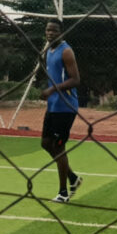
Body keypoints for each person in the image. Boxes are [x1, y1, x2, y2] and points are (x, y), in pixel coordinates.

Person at [40, 19, 82, 203]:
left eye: (54, 30)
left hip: (66, 106)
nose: (50, 33)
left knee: (58, 146)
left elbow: (75, 80)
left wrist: (52, 89)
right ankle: (73, 178)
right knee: (45, 143)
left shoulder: (66, 51)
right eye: (48, 30)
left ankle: (63, 192)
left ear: (61, 32)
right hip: (53, 106)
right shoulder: (49, 51)